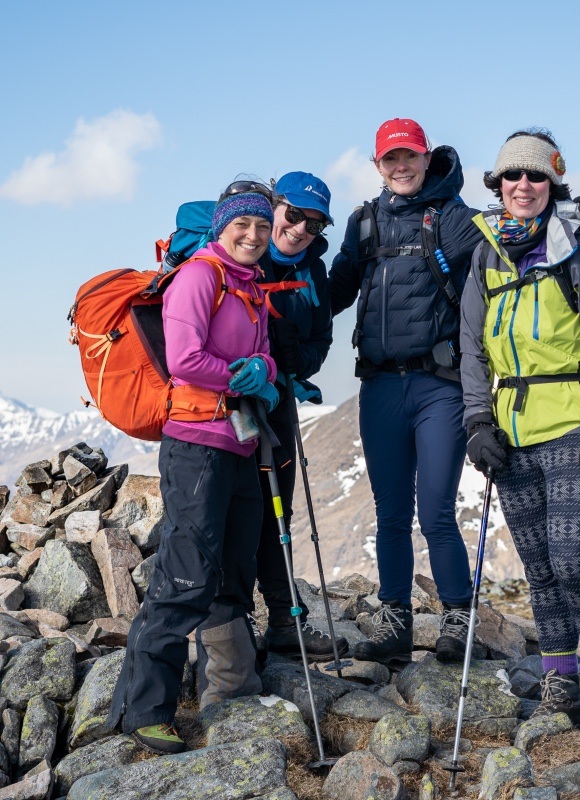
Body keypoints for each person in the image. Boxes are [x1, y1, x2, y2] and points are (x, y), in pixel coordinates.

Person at [329, 119, 580, 667]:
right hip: (380, 385)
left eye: (410, 157)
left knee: (434, 508)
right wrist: (279, 291)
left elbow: (523, 231)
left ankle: (457, 615)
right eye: (391, 160)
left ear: (427, 158)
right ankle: (395, 622)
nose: (401, 167)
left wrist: (579, 217)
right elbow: (334, 290)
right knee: (388, 510)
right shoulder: (364, 225)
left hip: (439, 386)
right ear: (376, 165)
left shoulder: (458, 221)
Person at [459, 129, 580, 750]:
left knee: (571, 560)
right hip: (509, 429)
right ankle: (561, 683)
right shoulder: (485, 254)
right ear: (498, 186)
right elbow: (472, 348)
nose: (523, 186)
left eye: (536, 177)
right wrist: (477, 421)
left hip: (573, 422)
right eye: (512, 177)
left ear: (553, 184)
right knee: (538, 566)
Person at [107, 183, 279, 754]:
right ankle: (144, 708)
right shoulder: (201, 276)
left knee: (234, 569)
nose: (253, 236)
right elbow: (184, 360)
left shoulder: (250, 286)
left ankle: (229, 689)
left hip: (238, 444)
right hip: (198, 446)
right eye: (242, 225)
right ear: (223, 227)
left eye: (261, 225)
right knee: (186, 572)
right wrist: (244, 374)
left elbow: (260, 356)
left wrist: (269, 372)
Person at [253, 171, 348, 661]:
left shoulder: (314, 275)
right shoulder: (240, 249)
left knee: (278, 512)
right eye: (294, 214)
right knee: (231, 512)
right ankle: (226, 625)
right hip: (223, 407)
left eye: (314, 225)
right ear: (275, 205)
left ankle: (284, 620)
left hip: (278, 403)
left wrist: (296, 358)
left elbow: (320, 345)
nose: (300, 229)